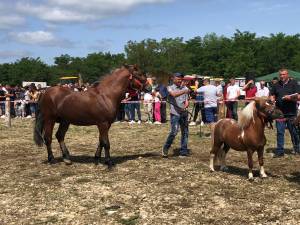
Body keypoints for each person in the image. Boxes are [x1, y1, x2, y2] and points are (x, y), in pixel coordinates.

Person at [270, 69, 300, 157]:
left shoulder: (294, 83)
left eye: (283, 74)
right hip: (279, 113)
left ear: (287, 75)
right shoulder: (276, 84)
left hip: (291, 113)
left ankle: (297, 149)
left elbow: (299, 97)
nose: (282, 76)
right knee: (280, 132)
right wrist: (272, 98)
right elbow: (272, 94)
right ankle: (280, 151)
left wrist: (290, 98)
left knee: (294, 132)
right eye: (280, 75)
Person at [162, 72, 190, 157]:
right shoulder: (170, 87)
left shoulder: (184, 87)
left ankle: (183, 151)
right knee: (174, 132)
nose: (180, 80)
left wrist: (186, 104)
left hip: (184, 113)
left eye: (181, 79)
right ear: (173, 79)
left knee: (185, 132)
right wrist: (185, 91)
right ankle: (166, 148)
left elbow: (186, 100)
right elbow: (174, 95)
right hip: (175, 114)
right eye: (178, 79)